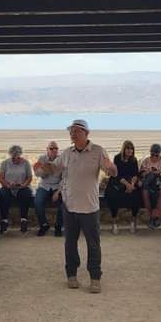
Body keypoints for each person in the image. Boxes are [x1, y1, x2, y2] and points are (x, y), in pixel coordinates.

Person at [53, 119, 117, 293]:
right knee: (70, 243)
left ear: (86, 133)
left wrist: (111, 168)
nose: (73, 134)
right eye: (71, 131)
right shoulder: (67, 153)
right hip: (69, 206)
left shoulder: (98, 151)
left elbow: (111, 171)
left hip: (89, 208)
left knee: (93, 244)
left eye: (77, 131)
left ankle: (95, 278)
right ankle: (71, 275)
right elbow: (54, 168)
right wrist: (42, 167)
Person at [106, 140, 142, 234]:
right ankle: (114, 223)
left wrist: (132, 185)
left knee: (137, 195)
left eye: (131, 149)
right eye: (128, 148)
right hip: (118, 181)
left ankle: (133, 221)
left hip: (130, 182)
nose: (130, 150)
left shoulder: (134, 159)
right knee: (113, 196)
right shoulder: (117, 158)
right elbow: (117, 175)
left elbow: (135, 174)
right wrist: (127, 185)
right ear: (124, 149)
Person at [0, 145, 34, 233]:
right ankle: (4, 220)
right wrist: (7, 185)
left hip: (22, 187)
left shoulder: (26, 163)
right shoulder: (5, 163)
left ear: (20, 155)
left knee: (26, 194)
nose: (15, 159)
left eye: (17, 157)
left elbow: (29, 177)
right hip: (8, 187)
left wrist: (23, 185)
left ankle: (23, 220)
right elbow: (1, 178)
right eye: (13, 158)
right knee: (3, 194)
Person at [32, 141, 63, 236]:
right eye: (51, 148)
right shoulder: (42, 158)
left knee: (64, 203)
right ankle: (44, 225)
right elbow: (37, 174)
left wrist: (58, 192)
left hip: (57, 186)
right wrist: (45, 170)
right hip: (44, 185)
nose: (54, 150)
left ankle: (58, 226)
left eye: (56, 148)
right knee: (37, 202)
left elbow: (65, 178)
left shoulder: (61, 160)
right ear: (47, 149)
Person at [140, 144, 161, 229]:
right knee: (145, 194)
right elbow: (141, 174)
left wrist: (159, 173)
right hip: (149, 182)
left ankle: (154, 217)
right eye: (152, 154)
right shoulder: (146, 161)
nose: (154, 157)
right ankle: (152, 217)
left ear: (159, 154)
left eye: (156, 155)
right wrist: (146, 172)